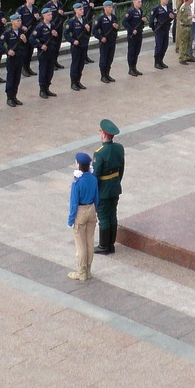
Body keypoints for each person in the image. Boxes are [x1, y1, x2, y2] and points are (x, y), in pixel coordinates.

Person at [93, 119, 125, 256]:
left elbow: (96, 176)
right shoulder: (119, 148)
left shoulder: (99, 153)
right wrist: (116, 182)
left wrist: (94, 193)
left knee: (104, 217)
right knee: (113, 215)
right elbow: (121, 169)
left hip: (104, 190)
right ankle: (110, 244)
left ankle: (104, 245)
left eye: (101, 131)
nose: (100, 133)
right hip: (115, 187)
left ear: (104, 134)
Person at [67, 152, 99, 281]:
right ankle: (89, 270)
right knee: (90, 241)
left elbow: (74, 203)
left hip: (80, 211)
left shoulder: (77, 182)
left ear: (79, 165)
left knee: (80, 244)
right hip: (91, 209)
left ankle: (81, 271)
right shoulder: (93, 178)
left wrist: (70, 220)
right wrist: (95, 209)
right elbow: (97, 197)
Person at [0, 13, 27, 107]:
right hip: (12, 58)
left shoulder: (21, 32)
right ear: (12, 22)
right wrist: (7, 51)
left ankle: (15, 96)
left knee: (17, 78)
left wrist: (25, 41)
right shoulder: (7, 32)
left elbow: (25, 45)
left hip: (20, 57)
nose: (19, 22)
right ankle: (9, 97)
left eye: (20, 21)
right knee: (11, 77)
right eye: (17, 21)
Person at [30, 7, 58, 98]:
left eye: (51, 14)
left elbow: (55, 38)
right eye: (48, 15)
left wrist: (55, 35)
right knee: (43, 70)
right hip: (43, 52)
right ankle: (42, 90)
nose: (51, 16)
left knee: (50, 71)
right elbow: (32, 39)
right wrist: (40, 45)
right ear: (44, 16)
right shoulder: (40, 26)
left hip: (51, 50)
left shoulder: (52, 25)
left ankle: (47, 88)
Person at [65, 2, 91, 88]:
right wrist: (72, 41)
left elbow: (87, 33)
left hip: (83, 44)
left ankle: (78, 80)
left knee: (81, 64)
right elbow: (66, 34)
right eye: (80, 9)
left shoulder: (84, 20)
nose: (82, 11)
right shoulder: (72, 21)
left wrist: (87, 29)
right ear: (75, 10)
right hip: (76, 46)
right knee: (75, 64)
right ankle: (73, 82)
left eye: (83, 9)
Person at [94, 1, 119, 81]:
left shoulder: (114, 17)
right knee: (103, 59)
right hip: (104, 42)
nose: (111, 9)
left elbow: (116, 29)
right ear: (104, 8)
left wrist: (116, 27)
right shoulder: (101, 18)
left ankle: (108, 74)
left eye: (111, 7)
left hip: (112, 41)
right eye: (109, 7)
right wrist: (100, 37)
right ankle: (103, 75)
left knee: (110, 58)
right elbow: (95, 30)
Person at [149, 0, 173, 69]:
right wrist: (154, 28)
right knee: (159, 47)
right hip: (159, 29)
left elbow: (172, 15)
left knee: (165, 46)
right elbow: (151, 20)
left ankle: (161, 61)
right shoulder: (156, 8)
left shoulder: (169, 7)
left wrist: (172, 16)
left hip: (166, 29)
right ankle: (157, 62)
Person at [124, 0, 145, 76]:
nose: (140, 3)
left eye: (141, 2)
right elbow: (124, 22)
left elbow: (140, 22)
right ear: (134, 2)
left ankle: (134, 67)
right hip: (132, 35)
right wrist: (131, 29)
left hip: (139, 33)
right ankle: (130, 69)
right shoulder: (130, 12)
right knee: (131, 52)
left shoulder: (140, 11)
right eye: (138, 2)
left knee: (137, 51)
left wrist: (143, 21)